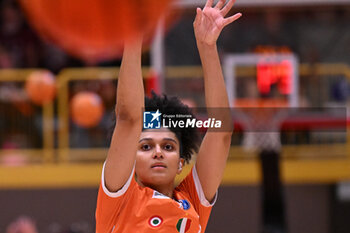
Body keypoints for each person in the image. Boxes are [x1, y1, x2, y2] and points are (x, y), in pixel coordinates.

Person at [95, 0, 241, 232]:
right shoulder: (120, 199)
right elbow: (129, 119)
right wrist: (133, 33)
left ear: (181, 163)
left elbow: (221, 133)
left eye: (169, 147)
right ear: (129, 162)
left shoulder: (191, 201)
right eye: (145, 147)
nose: (158, 152)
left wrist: (207, 47)